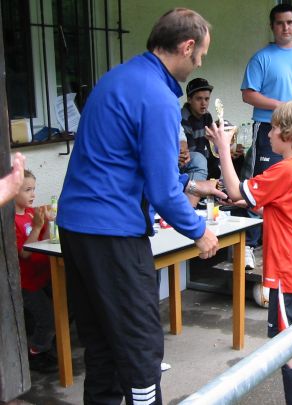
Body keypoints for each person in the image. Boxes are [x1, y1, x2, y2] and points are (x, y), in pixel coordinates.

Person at [56, 9, 226, 404]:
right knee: (140, 346)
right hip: (112, 231)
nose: (200, 61)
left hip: (76, 227)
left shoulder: (118, 77)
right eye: (200, 53)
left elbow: (127, 160)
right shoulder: (159, 98)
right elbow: (164, 191)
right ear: (186, 47)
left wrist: (194, 184)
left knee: (101, 344)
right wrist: (200, 231)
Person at [207, 100, 292, 405]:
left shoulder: (283, 169)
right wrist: (248, 201)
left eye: (275, 128)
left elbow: (238, 190)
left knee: (287, 345)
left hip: (289, 273)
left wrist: (224, 148)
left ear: (289, 134)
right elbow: (275, 203)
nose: (269, 134)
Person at [240, 3, 292, 267]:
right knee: (259, 185)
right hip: (269, 129)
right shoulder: (262, 58)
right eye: (279, 23)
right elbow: (248, 93)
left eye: (289, 22)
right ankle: (249, 246)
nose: (285, 27)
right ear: (272, 26)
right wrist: (284, 107)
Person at [14, 170, 57, 373]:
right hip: (28, 283)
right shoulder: (12, 220)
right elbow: (24, 253)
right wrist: (37, 226)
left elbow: (43, 241)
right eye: (27, 190)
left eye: (34, 189)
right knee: (47, 318)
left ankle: (48, 343)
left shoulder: (31, 213)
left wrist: (46, 223)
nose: (33, 195)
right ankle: (36, 351)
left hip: (44, 276)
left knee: (62, 308)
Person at [180, 77, 220, 206]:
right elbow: (191, 151)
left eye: (206, 99)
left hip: (201, 157)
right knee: (199, 159)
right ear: (189, 99)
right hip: (182, 161)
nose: (204, 103)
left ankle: (221, 198)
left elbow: (212, 145)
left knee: (226, 158)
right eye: (199, 99)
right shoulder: (183, 116)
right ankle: (189, 205)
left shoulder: (207, 116)